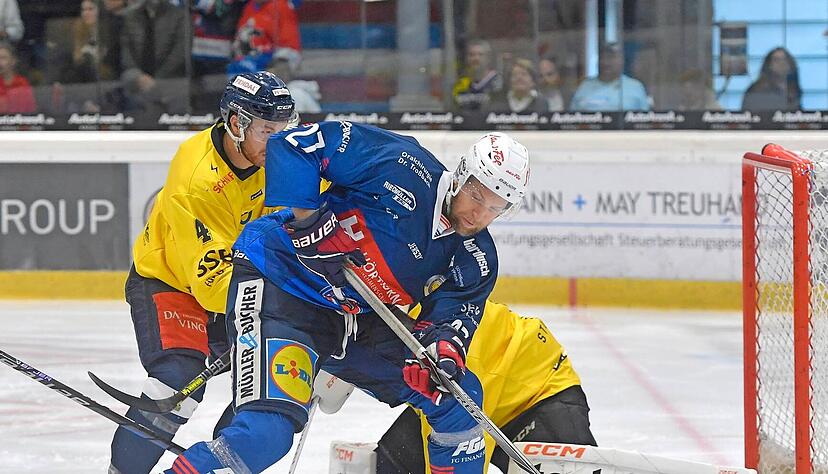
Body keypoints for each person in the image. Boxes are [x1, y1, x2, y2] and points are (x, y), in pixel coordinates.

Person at [163, 124, 531, 473]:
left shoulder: (476, 258)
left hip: (354, 318)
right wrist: (311, 224)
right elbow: (292, 145)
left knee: (457, 397)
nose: (480, 213)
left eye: (496, 207)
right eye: (477, 194)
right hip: (282, 285)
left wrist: (442, 354)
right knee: (265, 436)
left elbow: (450, 322)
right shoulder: (401, 163)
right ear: (462, 174)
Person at [107, 71, 296, 474]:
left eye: (285, 129)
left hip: (242, 283)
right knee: (177, 383)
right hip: (171, 282)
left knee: (265, 387)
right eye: (267, 130)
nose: (279, 141)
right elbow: (212, 289)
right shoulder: (198, 180)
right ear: (236, 123)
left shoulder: (278, 156)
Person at [375, 300, 596, 473]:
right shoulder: (407, 322)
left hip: (536, 396)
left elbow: (469, 429)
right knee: (392, 464)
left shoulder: (453, 352)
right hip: (474, 394)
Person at [570, 43, 650, 112]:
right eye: (603, 57)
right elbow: (571, 119)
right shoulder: (585, 86)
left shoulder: (635, 87)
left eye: (611, 57)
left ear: (621, 60)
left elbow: (646, 121)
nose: (606, 62)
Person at [229, 0, 302, 75]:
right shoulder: (250, 6)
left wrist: (280, 62)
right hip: (250, 58)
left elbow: (290, 45)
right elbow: (240, 38)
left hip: (274, 58)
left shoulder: (281, 6)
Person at [742, 47, 801, 111]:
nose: (782, 63)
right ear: (769, 65)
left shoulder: (793, 90)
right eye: (777, 60)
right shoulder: (756, 91)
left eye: (785, 60)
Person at [453, 39, 502, 111]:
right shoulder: (460, 83)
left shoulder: (497, 82)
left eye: (480, 54)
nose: (476, 58)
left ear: (488, 58)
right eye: (471, 55)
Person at [0, 41, 34, 113]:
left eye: (3, 58)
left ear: (13, 61)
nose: (0, 62)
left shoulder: (22, 83)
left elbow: (28, 112)